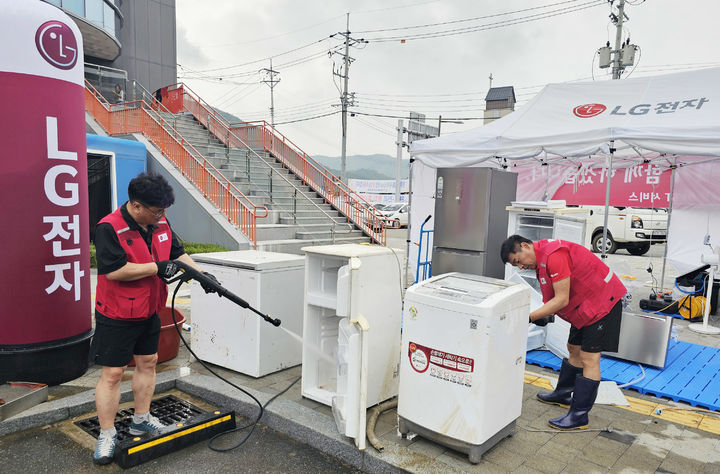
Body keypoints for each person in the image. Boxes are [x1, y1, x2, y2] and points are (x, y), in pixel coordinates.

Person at [90, 172, 217, 464]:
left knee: (148, 363)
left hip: (149, 309)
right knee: (113, 374)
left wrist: (200, 275)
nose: (162, 216)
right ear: (136, 207)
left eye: (164, 211)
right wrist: (155, 268)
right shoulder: (108, 228)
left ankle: (141, 419)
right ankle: (107, 433)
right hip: (117, 313)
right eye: (156, 211)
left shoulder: (160, 221)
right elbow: (113, 271)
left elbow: (177, 252)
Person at [500, 235, 626, 431]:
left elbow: (561, 299)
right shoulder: (541, 260)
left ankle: (579, 416)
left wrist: (529, 317)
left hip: (602, 303)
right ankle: (563, 394)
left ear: (525, 246)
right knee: (573, 348)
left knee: (589, 358)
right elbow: (552, 297)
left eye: (518, 261)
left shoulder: (554, 255)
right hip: (584, 307)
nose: (521, 267)